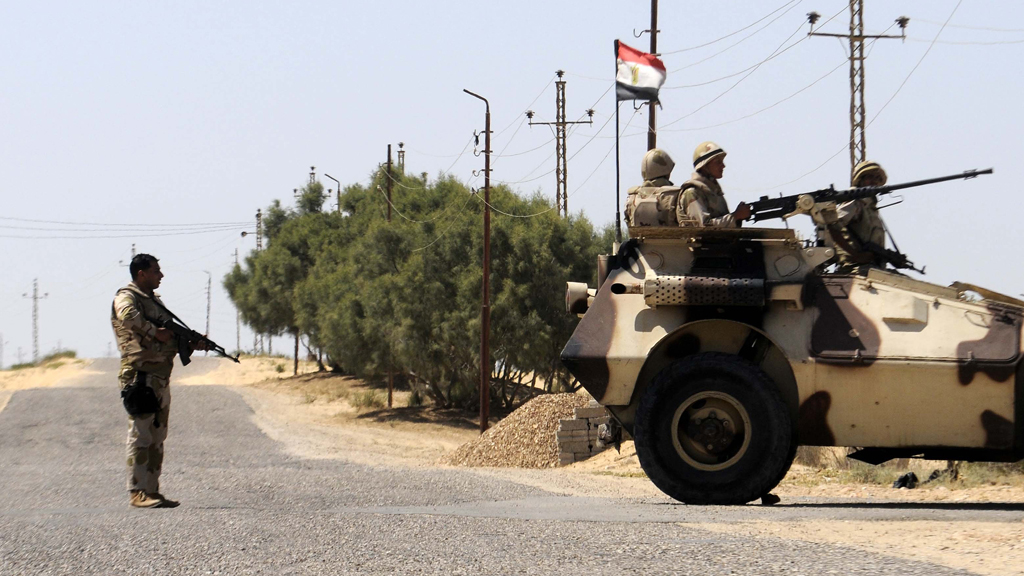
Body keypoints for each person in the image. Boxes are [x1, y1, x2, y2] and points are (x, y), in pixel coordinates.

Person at [111, 254, 205, 508]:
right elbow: (128, 317)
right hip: (140, 375)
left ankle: (151, 490)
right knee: (140, 435)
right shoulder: (127, 297)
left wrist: (190, 344)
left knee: (156, 436)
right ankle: (137, 492)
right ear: (141, 274)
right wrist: (154, 331)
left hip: (160, 376)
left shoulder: (153, 302)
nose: (160, 275)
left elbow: (166, 339)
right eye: (156, 271)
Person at [825, 160, 889, 269]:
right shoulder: (855, 203)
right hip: (855, 269)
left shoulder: (871, 209)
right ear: (860, 180)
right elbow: (832, 227)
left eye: (878, 178)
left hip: (874, 268)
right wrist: (856, 255)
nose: (874, 181)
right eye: (870, 177)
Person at [677, 141, 751, 227]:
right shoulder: (692, 192)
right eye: (717, 162)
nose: (723, 166)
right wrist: (735, 216)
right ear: (704, 166)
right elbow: (703, 227)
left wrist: (738, 218)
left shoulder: (714, 192)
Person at [625, 148, 680, 227]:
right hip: (672, 239)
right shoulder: (676, 196)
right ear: (667, 172)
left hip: (640, 239)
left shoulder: (631, 198)